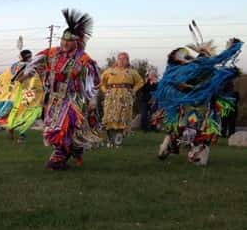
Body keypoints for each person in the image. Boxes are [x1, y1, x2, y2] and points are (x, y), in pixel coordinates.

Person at [22, 9, 101, 170]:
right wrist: (27, 72)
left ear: (76, 42)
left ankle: (58, 159)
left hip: (74, 100)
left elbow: (94, 82)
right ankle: (72, 151)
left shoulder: (84, 60)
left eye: (69, 40)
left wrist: (93, 100)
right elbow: (34, 63)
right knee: (54, 129)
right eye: (63, 39)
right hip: (54, 99)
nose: (64, 43)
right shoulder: (52, 53)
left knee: (61, 128)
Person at [154, 35, 243, 165]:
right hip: (193, 104)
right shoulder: (198, 68)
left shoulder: (195, 69)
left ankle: (180, 149)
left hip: (198, 104)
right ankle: (186, 151)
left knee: (190, 129)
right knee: (191, 129)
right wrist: (233, 49)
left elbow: (220, 85)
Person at [0, 50, 44, 143]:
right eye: (29, 56)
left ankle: (17, 135)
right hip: (20, 93)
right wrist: (28, 75)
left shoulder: (21, 66)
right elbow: (18, 79)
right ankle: (16, 135)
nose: (30, 58)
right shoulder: (23, 66)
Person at [100, 52, 144, 147]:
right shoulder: (109, 71)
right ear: (117, 60)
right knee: (110, 116)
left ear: (128, 60)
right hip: (111, 96)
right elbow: (101, 82)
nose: (122, 60)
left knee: (123, 117)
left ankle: (118, 140)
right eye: (120, 58)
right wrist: (105, 91)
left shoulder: (132, 72)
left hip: (125, 96)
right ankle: (110, 139)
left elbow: (140, 82)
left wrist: (133, 90)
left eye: (124, 59)